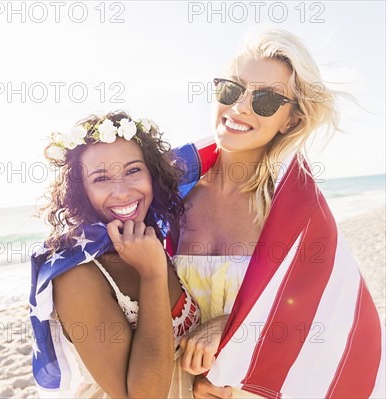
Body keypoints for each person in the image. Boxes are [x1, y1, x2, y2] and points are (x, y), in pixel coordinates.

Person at [173, 28, 385, 398]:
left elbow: (331, 317)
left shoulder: (295, 212)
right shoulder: (167, 196)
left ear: (289, 120)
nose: (240, 107)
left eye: (267, 101)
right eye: (231, 89)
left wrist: (234, 328)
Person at [29, 111, 201, 398]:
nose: (121, 192)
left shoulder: (157, 239)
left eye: (133, 170)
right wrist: (152, 274)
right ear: (80, 190)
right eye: (101, 178)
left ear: (153, 174)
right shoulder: (76, 275)